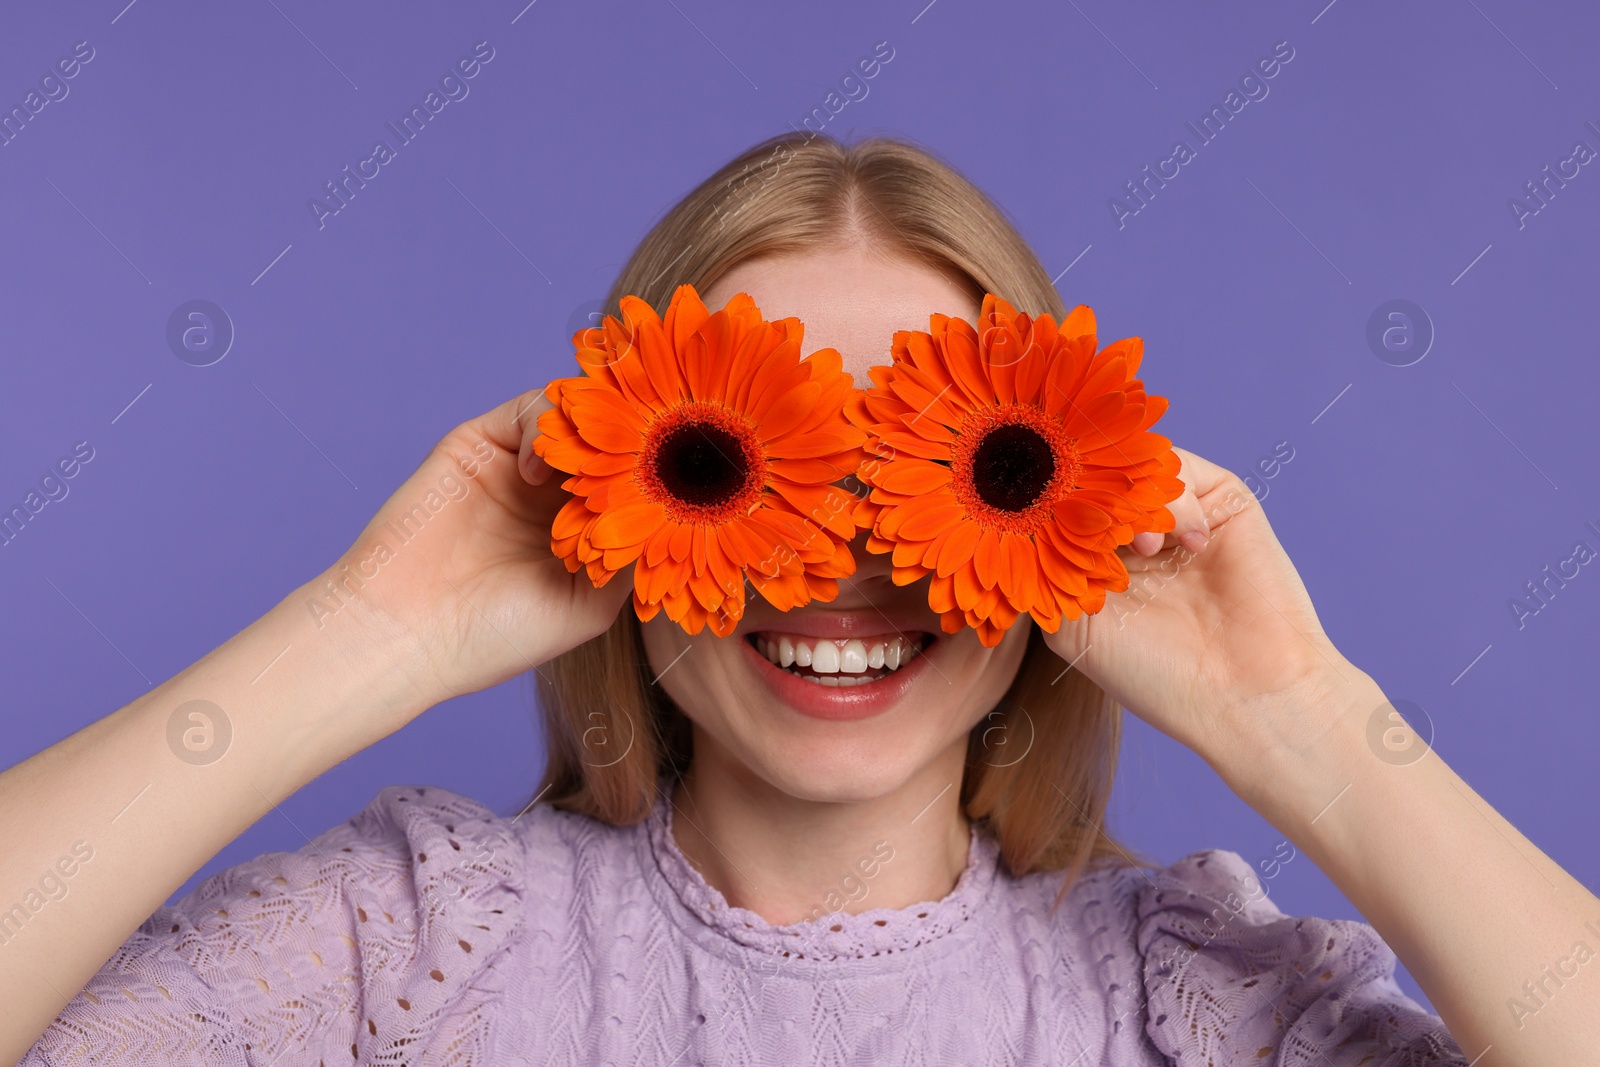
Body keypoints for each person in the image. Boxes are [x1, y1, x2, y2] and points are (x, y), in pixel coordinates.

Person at [2, 133, 1595, 1067]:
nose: (844, 561)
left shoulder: (1184, 1000)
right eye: (745, 465)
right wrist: (363, 634)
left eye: (932, 469)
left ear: (1060, 523)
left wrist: (1303, 724)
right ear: (617, 502)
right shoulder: (412, 943)